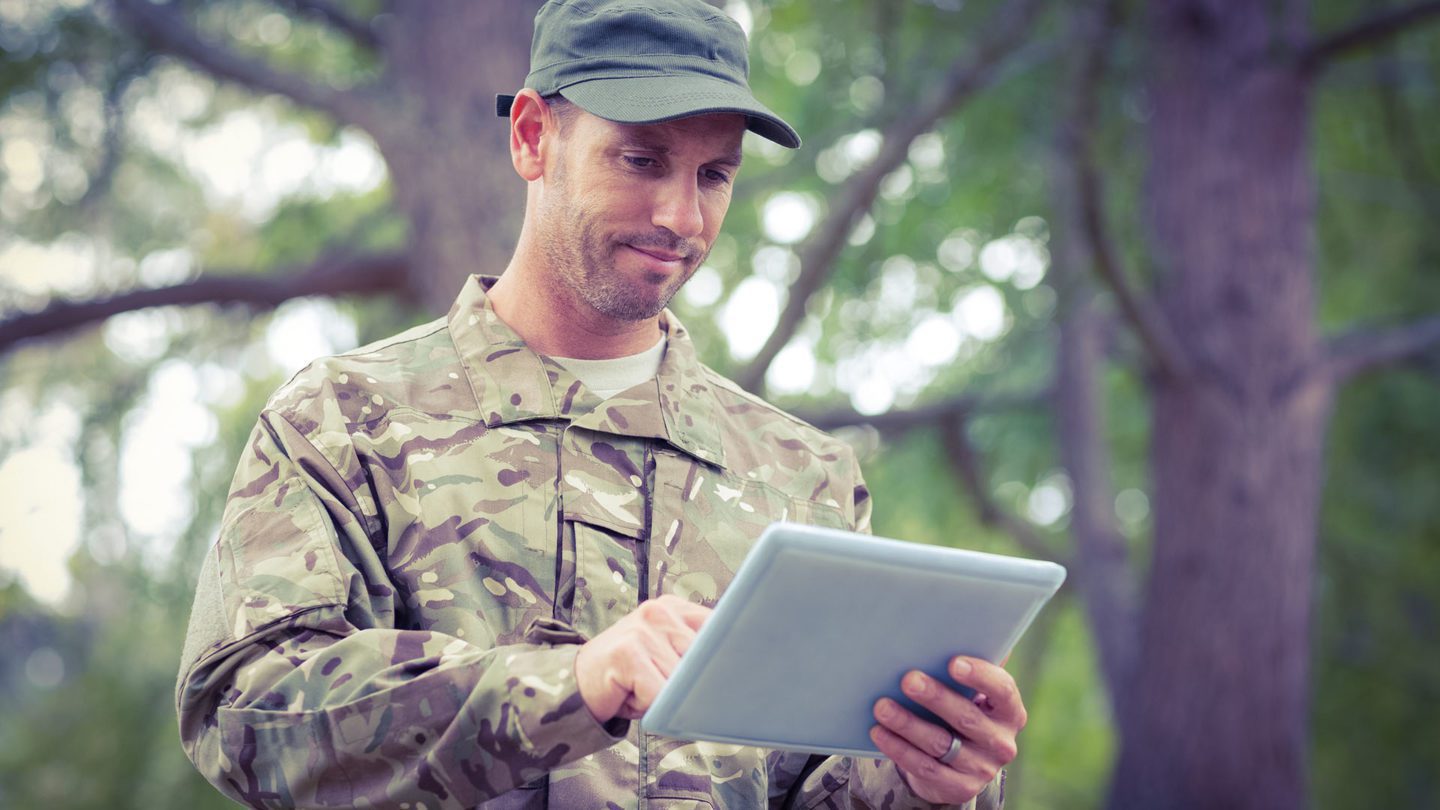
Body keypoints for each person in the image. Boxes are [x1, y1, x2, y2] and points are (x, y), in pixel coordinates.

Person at [176, 1, 1026, 807]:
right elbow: (243, 715)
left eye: (715, 173)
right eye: (641, 159)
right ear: (533, 136)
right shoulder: (344, 421)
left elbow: (814, 789)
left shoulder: (803, 478)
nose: (680, 216)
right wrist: (572, 686)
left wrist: (927, 779)